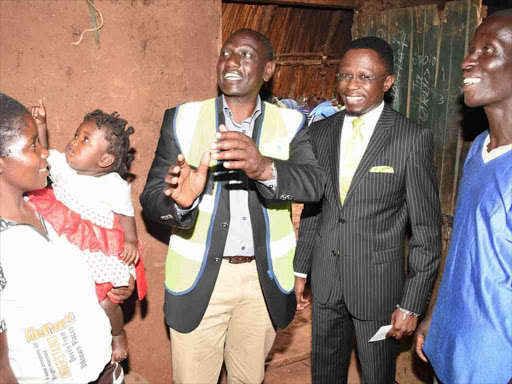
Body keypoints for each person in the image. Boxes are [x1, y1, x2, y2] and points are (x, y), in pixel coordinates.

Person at [140, 28, 324, 384]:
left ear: (268, 70)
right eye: (226, 52)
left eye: (246, 54)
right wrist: (180, 203)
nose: (232, 61)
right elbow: (151, 198)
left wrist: (264, 167)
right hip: (200, 280)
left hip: (262, 282)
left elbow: (314, 184)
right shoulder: (182, 118)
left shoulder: (292, 122)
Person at [293, 36, 442, 383]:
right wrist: (301, 271)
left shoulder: (410, 138)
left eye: (365, 77)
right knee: (325, 375)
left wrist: (412, 303)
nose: (351, 86)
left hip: (378, 290)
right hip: (327, 279)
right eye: (345, 75)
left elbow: (425, 232)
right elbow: (318, 208)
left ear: (387, 82)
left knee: (377, 376)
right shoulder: (321, 133)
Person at [0, 92, 133, 383]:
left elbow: (90, 260)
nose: (45, 151)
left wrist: (120, 278)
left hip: (104, 370)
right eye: (32, 144)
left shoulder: (52, 208)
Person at [414, 10, 512, 384]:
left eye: (489, 49)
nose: (468, 60)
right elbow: (461, 245)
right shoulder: (479, 150)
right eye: (471, 48)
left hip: (494, 363)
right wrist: (433, 316)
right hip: (453, 347)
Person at [26, 102, 146, 363]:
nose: (74, 142)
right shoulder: (62, 166)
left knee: (106, 302)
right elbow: (43, 154)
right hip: (62, 242)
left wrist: (130, 241)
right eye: (76, 135)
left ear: (105, 159)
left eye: (85, 140)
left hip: (95, 249)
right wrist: (42, 125)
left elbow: (126, 216)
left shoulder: (115, 186)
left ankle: (117, 334)